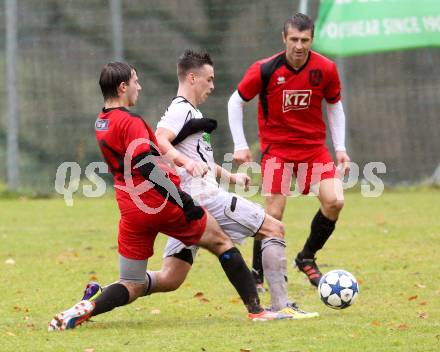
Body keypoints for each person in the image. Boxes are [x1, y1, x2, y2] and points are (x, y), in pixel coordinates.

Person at [48, 62, 288, 332]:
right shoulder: (131, 122)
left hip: (131, 209)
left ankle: (87, 307)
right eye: (135, 81)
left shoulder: (101, 121)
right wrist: (183, 202)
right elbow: (148, 166)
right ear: (122, 87)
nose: (139, 86)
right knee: (221, 242)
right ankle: (257, 310)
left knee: (132, 282)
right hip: (160, 203)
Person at [227, 13, 350, 288]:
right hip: (277, 150)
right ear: (284, 38)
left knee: (335, 201)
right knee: (274, 212)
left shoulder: (326, 69)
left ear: (312, 40)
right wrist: (240, 145)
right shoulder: (265, 68)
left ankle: (306, 258)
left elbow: (334, 104)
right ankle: (258, 274)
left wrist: (340, 147)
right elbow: (235, 101)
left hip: (313, 149)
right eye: (293, 39)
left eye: (304, 40)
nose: (299, 45)